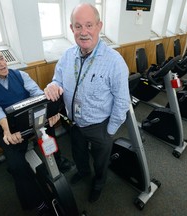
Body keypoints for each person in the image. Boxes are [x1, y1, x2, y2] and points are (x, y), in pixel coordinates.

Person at [44, 3, 130, 203]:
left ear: (99, 26)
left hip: (100, 125)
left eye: (89, 25)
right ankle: (83, 172)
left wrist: (111, 130)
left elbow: (122, 101)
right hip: (73, 122)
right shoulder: (67, 56)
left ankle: (99, 183)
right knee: (79, 153)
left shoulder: (114, 62)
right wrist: (52, 85)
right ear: (71, 28)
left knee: (101, 160)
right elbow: (57, 79)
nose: (83, 32)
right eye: (78, 26)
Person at [0, 47, 70, 215]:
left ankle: (57, 159)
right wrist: (7, 130)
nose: (2, 63)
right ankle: (37, 202)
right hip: (8, 126)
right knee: (17, 165)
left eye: (2, 58)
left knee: (49, 129)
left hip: (31, 118)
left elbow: (37, 94)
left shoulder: (20, 75)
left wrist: (48, 113)